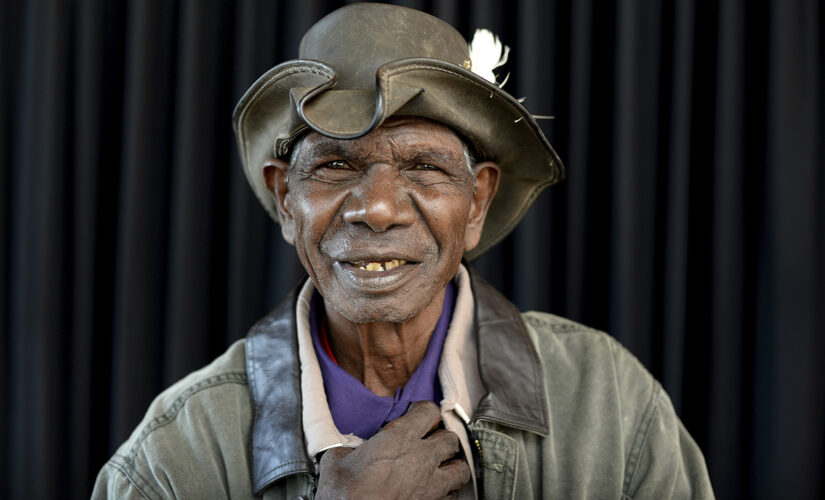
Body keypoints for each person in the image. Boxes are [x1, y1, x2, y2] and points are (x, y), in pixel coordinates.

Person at [93, 3, 713, 499]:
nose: (378, 208)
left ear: (476, 202)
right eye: (335, 165)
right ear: (286, 199)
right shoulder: (171, 461)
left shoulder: (612, 405)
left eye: (423, 166)